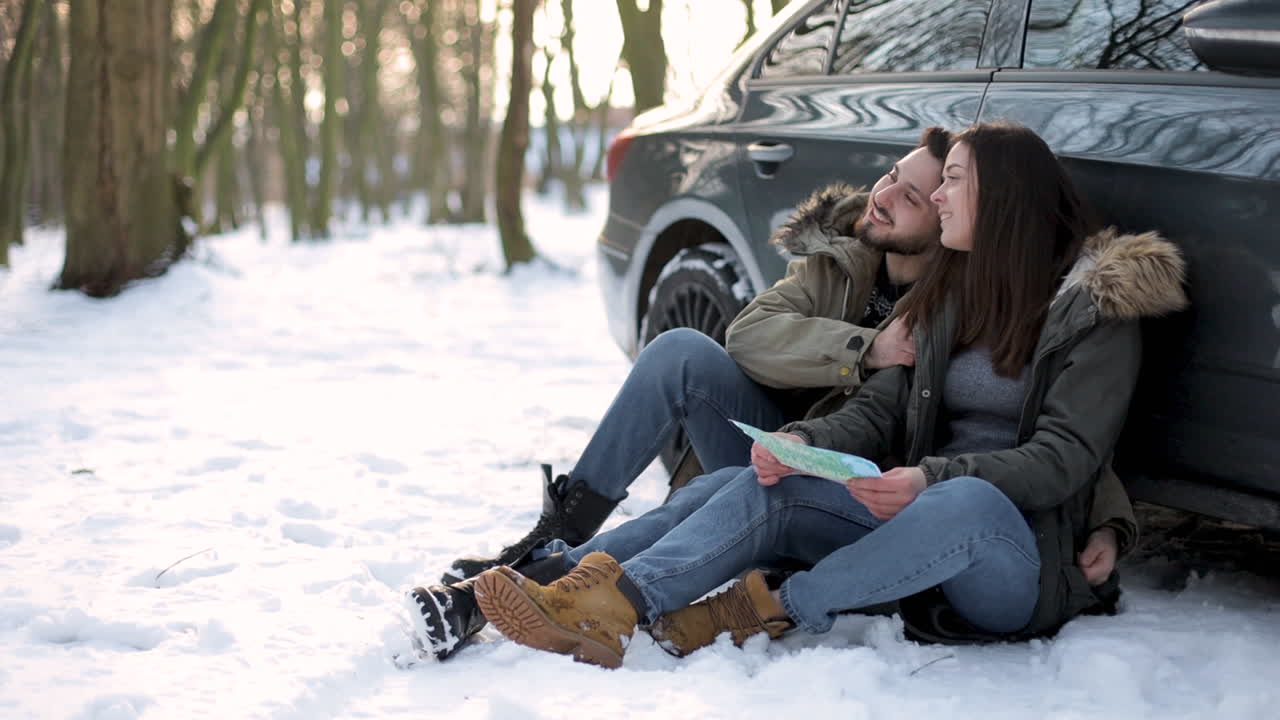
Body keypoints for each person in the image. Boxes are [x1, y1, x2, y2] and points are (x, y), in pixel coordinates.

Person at [470, 121, 1187, 668]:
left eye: (949, 182)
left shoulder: (1096, 312)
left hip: (1011, 557)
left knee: (963, 501)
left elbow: (1069, 454)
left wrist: (932, 479)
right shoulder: (946, 295)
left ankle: (769, 607)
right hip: (905, 519)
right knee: (763, 483)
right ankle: (600, 601)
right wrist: (805, 445)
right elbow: (880, 406)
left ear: (1000, 198)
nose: (935, 200)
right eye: (919, 185)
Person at [407, 128, 959, 658]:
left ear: (946, 220)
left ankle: (530, 582)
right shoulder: (844, 258)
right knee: (680, 353)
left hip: (830, 486)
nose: (881, 196)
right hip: (775, 449)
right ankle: (553, 539)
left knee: (724, 486)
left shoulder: (941, 311)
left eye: (909, 196)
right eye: (890, 175)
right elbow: (748, 337)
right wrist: (862, 350)